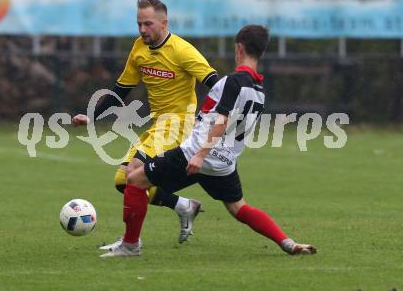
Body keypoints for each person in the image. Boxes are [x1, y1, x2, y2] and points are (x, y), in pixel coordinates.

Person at [100, 24, 317, 258]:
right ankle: (288, 243)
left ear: (239, 48)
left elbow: (221, 121)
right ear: (262, 53)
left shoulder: (233, 81)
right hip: (224, 164)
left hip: (195, 154)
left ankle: (130, 245)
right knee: (239, 208)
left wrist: (200, 154)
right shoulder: (259, 90)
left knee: (133, 180)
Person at [73, 0, 219, 246]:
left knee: (133, 175)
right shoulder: (139, 48)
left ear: (164, 23)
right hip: (158, 124)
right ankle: (184, 206)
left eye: (148, 24)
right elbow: (121, 89)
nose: (142, 29)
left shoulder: (183, 51)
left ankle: (130, 243)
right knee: (123, 181)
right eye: (139, 23)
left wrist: (221, 115)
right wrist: (92, 117)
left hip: (179, 124)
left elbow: (216, 83)